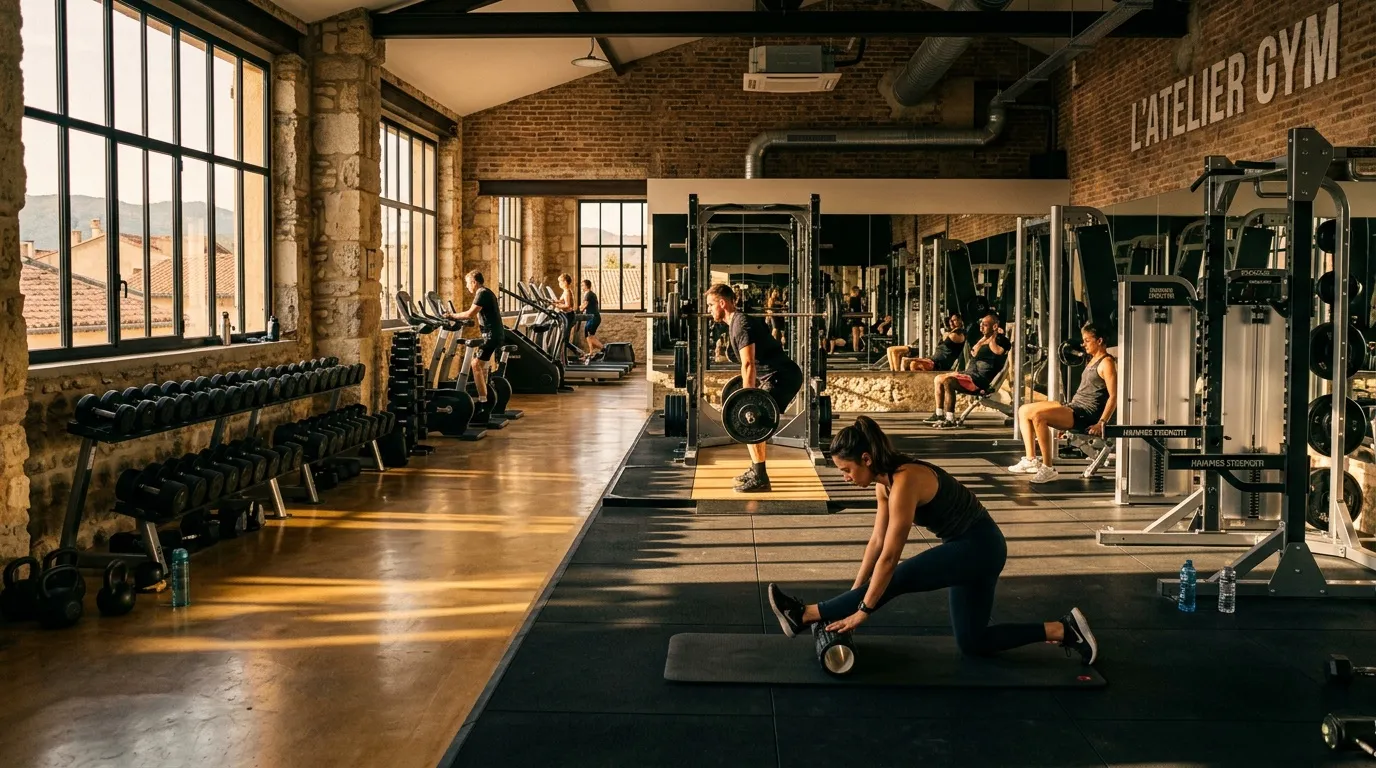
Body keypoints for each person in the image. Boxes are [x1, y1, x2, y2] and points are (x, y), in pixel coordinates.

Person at [766, 416, 1098, 664]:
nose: (845, 477)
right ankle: (1064, 630)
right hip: (969, 551)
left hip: (978, 547)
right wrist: (856, 594)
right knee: (973, 642)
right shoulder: (884, 485)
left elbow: (891, 557)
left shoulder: (906, 479)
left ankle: (803, 614)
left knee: (898, 577)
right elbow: (876, 543)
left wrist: (863, 610)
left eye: (847, 470)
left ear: (866, 459)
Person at [705, 283, 805, 493]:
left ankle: (760, 478)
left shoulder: (741, 323)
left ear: (722, 303)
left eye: (711, 305)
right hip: (775, 376)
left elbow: (748, 363)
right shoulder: (735, 323)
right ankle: (755, 469)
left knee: (753, 421)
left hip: (783, 377)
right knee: (752, 421)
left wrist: (747, 397)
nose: (709, 310)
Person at [1009, 323, 1118, 484]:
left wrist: (1101, 422)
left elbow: (1114, 395)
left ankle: (1048, 468)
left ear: (1100, 341)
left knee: (1039, 417)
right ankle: (1031, 459)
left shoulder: (1106, 363)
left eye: (1087, 340)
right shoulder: (1092, 359)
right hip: (1074, 406)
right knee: (1024, 410)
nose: (1084, 344)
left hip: (1086, 414)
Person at [926, 312, 1008, 428]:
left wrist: (994, 336)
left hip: (979, 379)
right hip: (970, 374)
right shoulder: (983, 339)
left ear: (994, 326)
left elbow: (999, 352)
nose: (981, 327)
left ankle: (950, 419)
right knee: (938, 378)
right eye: (981, 324)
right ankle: (939, 414)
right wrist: (985, 338)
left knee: (949, 381)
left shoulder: (1001, 340)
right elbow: (974, 351)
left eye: (985, 325)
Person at [445, 270, 504, 421]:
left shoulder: (481, 293)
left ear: (474, 282)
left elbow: (469, 314)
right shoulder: (486, 292)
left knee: (475, 365)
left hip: (491, 336)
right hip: (494, 335)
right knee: (481, 366)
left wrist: (451, 316)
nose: (466, 287)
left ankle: (484, 404)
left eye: (467, 283)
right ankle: (486, 398)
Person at [888, 312, 965, 373]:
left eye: (954, 320)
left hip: (939, 364)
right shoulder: (950, 333)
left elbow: (950, 337)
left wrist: (947, 333)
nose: (951, 322)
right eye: (950, 320)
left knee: (913, 364)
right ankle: (895, 373)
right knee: (896, 354)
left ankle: (915, 381)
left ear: (960, 321)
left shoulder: (958, 334)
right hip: (933, 359)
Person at [578, 279, 604, 362]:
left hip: (594, 318)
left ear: (586, 286)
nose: (581, 287)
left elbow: (583, 306)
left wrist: (578, 309)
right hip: (592, 318)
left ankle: (605, 349)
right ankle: (591, 353)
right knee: (587, 335)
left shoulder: (588, 294)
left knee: (590, 336)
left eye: (582, 285)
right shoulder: (590, 294)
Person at [554, 273, 579, 347]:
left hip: (568, 316)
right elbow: (561, 301)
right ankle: (563, 358)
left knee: (565, 340)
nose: (559, 284)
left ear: (565, 282)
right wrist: (552, 301)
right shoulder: (565, 291)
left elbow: (567, 305)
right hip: (567, 315)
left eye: (560, 282)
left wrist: (557, 305)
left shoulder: (567, 292)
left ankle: (580, 354)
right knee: (563, 340)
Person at [847, 286, 866, 355]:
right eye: (857, 291)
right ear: (855, 291)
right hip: (855, 318)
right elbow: (851, 309)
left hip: (858, 317)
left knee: (858, 334)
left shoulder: (858, 298)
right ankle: (855, 349)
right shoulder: (852, 299)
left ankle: (856, 348)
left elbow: (860, 308)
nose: (858, 292)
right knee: (855, 335)